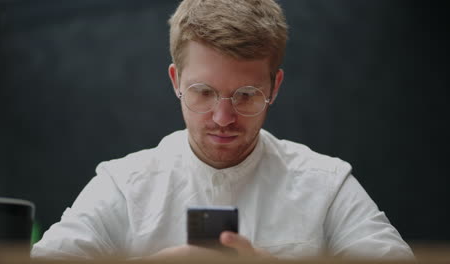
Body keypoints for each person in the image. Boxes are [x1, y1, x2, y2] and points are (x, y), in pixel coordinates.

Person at [32, 0, 414, 260]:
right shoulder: (123, 185)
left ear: (275, 87)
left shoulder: (325, 186)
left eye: (246, 95)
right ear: (175, 81)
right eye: (203, 92)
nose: (222, 118)